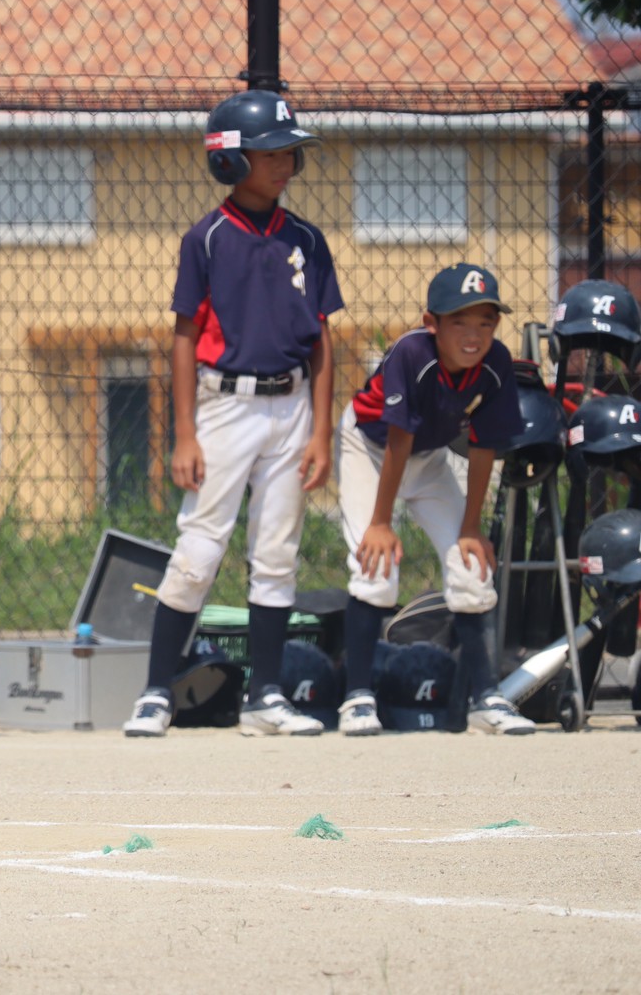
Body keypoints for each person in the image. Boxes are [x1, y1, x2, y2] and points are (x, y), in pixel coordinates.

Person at [123, 89, 342, 738]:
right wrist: (185, 432)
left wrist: (322, 431)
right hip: (226, 407)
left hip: (293, 407)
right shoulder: (208, 238)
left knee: (276, 552)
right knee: (199, 548)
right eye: (270, 152)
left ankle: (266, 696)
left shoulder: (307, 239)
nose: (285, 163)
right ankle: (157, 691)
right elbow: (185, 337)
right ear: (230, 160)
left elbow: (322, 340)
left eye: (289, 153)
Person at [333, 263, 535, 736]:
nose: (473, 334)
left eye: (485, 322)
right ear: (432, 323)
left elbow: (485, 445)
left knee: (470, 565)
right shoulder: (412, 352)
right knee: (373, 564)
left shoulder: (496, 363)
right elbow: (399, 437)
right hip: (368, 448)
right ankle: (357, 697)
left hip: (429, 459)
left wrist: (470, 526)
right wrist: (382, 521)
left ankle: (486, 698)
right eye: (459, 321)